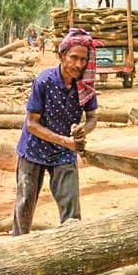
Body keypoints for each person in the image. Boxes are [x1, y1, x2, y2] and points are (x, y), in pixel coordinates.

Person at [12, 28, 100, 235]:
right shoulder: (44, 81)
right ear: (61, 56)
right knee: (25, 204)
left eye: (83, 60)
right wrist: (66, 141)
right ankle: (18, 247)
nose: (78, 65)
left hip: (63, 154)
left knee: (71, 210)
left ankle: (73, 248)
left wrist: (82, 131)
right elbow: (32, 124)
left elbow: (93, 118)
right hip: (34, 150)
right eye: (73, 58)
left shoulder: (84, 85)